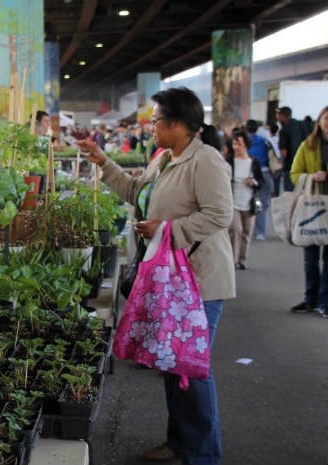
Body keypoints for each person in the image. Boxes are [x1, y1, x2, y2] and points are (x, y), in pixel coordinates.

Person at [77, 87, 234, 465]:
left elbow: (220, 215)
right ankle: (178, 442)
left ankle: (204, 454)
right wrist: (103, 162)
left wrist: (167, 228)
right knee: (171, 361)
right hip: (170, 279)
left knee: (192, 368)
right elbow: (137, 192)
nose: (150, 127)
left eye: (156, 120)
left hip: (199, 281)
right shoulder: (165, 158)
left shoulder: (205, 161)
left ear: (180, 125)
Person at [288, 106, 328, 316]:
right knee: (310, 258)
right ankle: (310, 299)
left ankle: (325, 301)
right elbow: (294, 174)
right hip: (312, 208)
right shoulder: (308, 146)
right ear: (319, 122)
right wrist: (312, 178)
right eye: (326, 118)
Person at [227, 128, 264, 270]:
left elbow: (261, 182)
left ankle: (242, 260)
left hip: (249, 202)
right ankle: (233, 259)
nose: (235, 147)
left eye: (239, 144)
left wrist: (253, 182)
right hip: (233, 201)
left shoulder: (254, 163)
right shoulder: (229, 160)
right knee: (235, 229)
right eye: (234, 144)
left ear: (246, 145)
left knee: (247, 232)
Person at [245, 119, 273, 240]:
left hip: (248, 175)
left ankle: (247, 230)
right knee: (263, 204)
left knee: (246, 204)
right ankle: (260, 232)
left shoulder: (244, 142)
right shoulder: (265, 141)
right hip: (265, 173)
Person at [277, 106, 309, 192]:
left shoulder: (284, 130)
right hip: (306, 167)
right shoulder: (303, 125)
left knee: (290, 196)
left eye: (278, 115)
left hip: (290, 168)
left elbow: (283, 153)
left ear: (282, 116)